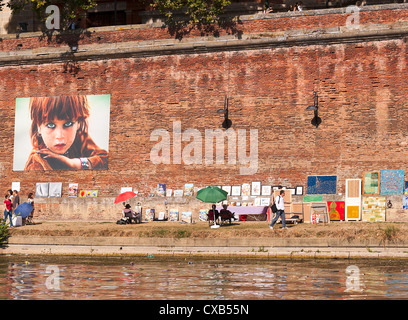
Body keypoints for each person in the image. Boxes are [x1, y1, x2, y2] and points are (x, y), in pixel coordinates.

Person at [24, 95, 108, 171]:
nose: (60, 136)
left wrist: (75, 164)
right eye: (50, 125)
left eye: (68, 124)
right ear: (38, 126)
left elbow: (107, 160)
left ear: (78, 122)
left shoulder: (79, 138)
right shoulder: (36, 165)